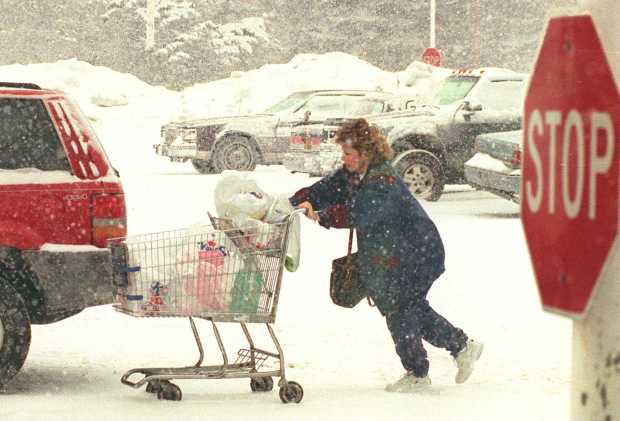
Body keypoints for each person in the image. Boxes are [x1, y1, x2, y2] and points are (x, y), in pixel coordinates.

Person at [289, 118, 483, 392]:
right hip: (395, 255)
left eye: (348, 154)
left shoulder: (382, 180)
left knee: (400, 310)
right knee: (410, 308)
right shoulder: (354, 172)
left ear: (365, 154)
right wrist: (295, 201)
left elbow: (359, 212)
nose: (344, 159)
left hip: (417, 254)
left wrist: (321, 215)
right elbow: (326, 188)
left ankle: (420, 373)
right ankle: (461, 347)